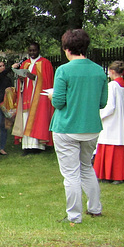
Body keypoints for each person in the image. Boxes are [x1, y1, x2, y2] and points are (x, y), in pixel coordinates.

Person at [49, 29, 107, 224]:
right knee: (86, 168)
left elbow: (58, 102)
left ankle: (74, 215)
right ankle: (95, 207)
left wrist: (51, 96)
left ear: (66, 49)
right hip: (91, 128)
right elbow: (102, 102)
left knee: (71, 174)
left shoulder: (63, 70)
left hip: (67, 127)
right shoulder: (99, 70)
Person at [94, 61, 124, 184]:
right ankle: (119, 174)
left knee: (109, 145)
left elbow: (110, 106)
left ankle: (107, 174)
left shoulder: (112, 86)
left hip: (112, 121)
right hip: (123, 121)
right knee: (119, 146)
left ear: (111, 72)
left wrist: (99, 116)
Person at [13, 42, 54, 154]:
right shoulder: (25, 64)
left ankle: (37, 146)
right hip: (26, 95)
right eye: (30, 51)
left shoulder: (45, 63)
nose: (32, 53)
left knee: (38, 119)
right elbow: (20, 83)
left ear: (38, 50)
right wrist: (21, 79)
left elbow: (48, 81)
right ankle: (27, 146)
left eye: (34, 50)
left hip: (39, 98)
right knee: (26, 118)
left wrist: (34, 77)